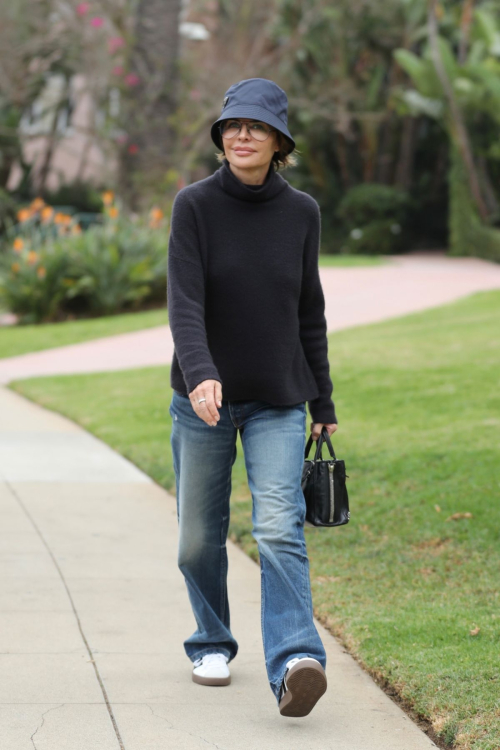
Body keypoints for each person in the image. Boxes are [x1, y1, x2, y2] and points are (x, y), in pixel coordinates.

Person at [167, 78, 338, 718]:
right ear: (221, 138)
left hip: (276, 400)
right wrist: (202, 371)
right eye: (232, 126)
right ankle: (210, 640)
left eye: (256, 127)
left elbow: (309, 312)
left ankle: (296, 658)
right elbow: (184, 303)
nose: (241, 135)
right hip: (201, 399)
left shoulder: (302, 214)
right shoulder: (194, 206)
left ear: (278, 142)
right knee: (196, 538)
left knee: (278, 525)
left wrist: (322, 400)